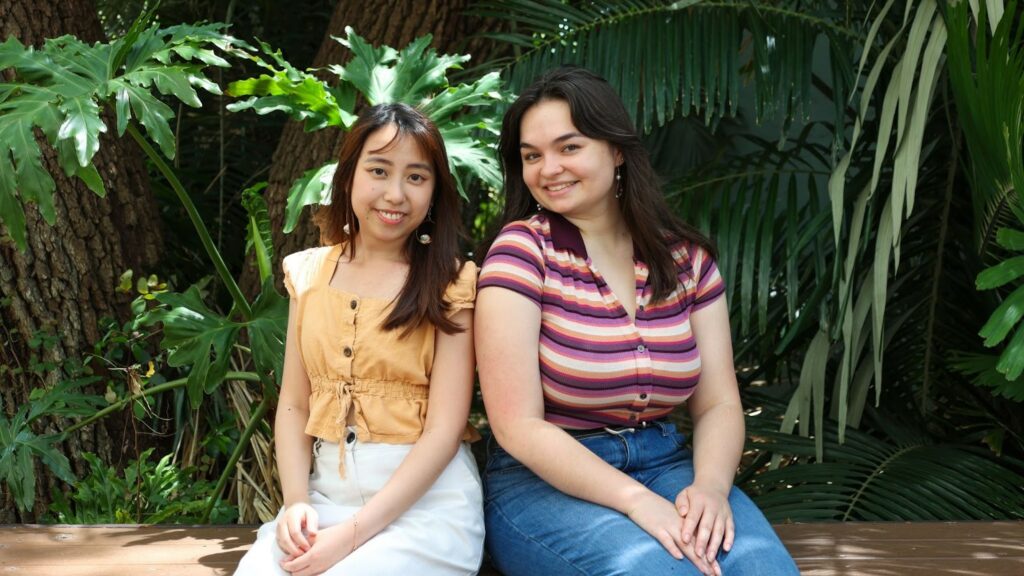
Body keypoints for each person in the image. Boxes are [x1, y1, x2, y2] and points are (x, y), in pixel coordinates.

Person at [475, 67, 798, 576]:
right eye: (531, 155)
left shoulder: (685, 259)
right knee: (657, 571)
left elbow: (717, 402)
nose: (548, 168)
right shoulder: (521, 253)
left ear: (617, 149)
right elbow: (517, 426)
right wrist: (634, 500)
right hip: (542, 481)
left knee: (764, 571)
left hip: (667, 463)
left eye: (569, 147)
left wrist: (711, 488)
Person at [235, 103, 484, 576]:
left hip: (426, 511)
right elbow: (294, 404)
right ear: (349, 176)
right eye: (378, 170)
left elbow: (444, 430)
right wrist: (295, 504)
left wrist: (351, 537)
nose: (395, 193)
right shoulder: (308, 273)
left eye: (416, 177)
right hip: (325, 504)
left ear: (435, 192)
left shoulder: (452, 283)